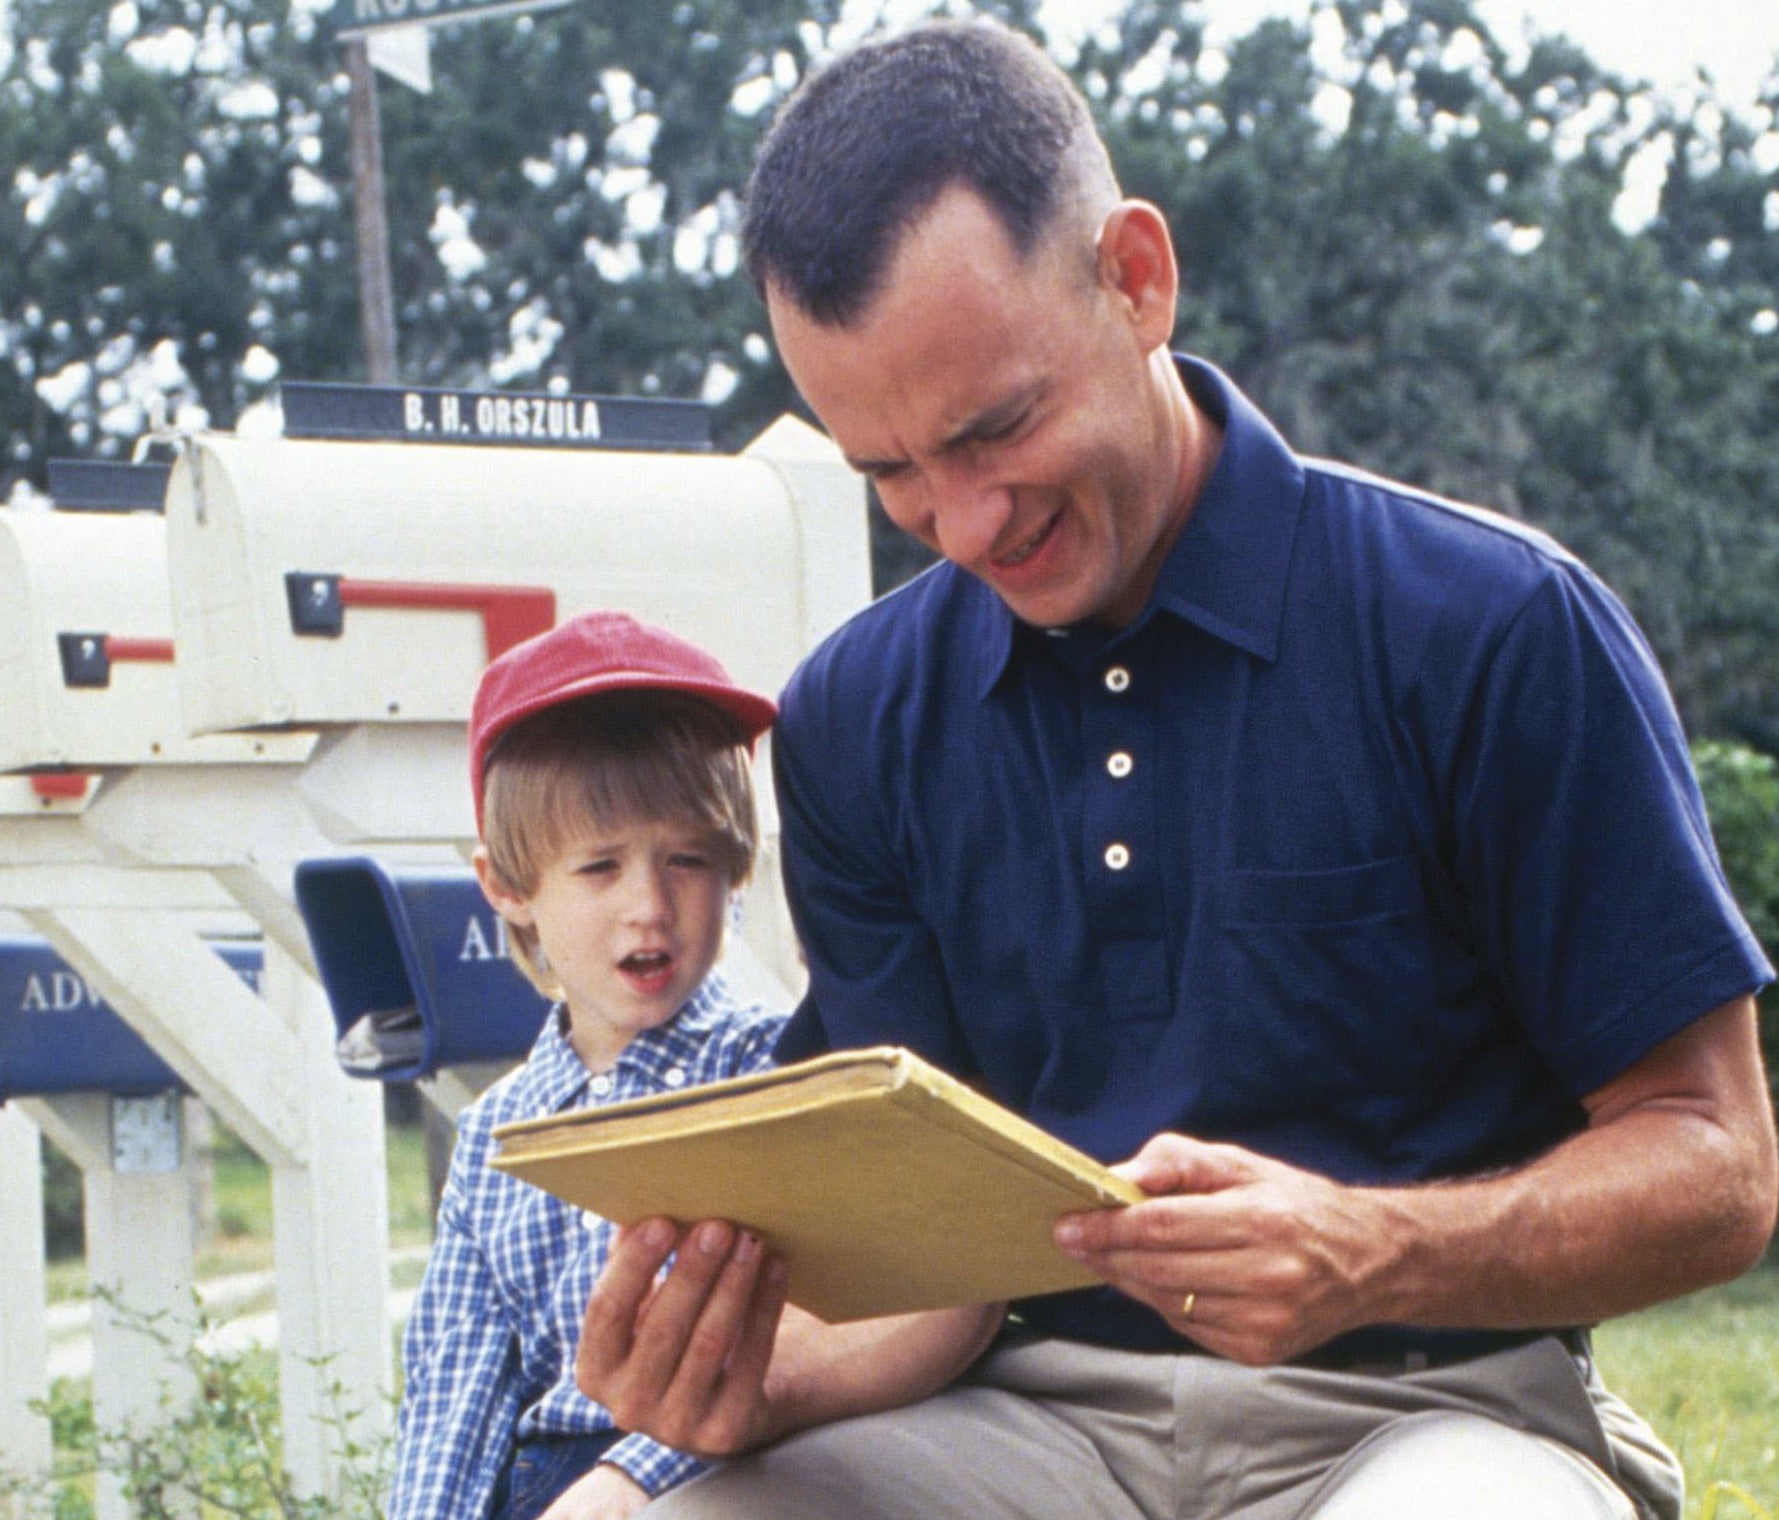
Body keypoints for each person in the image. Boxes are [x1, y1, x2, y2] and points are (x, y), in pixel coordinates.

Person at [572, 19, 1779, 1520]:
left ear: (1134, 278)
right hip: (1022, 1423)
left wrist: (1370, 1249)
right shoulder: (853, 718)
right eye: (885, 471)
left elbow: (1715, 1168)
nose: (959, 525)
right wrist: (753, 1382)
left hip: (1427, 1413)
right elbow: (933, 1287)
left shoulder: (1489, 627)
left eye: (993, 428)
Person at [386, 610, 787, 1520]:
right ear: (507, 887)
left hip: (716, 1469)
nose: (649, 906)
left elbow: (794, 1340)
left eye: (687, 859)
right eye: (599, 868)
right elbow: (458, 1383)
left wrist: (633, 1479)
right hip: (537, 1481)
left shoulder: (767, 1072)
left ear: (735, 867)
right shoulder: (500, 1131)